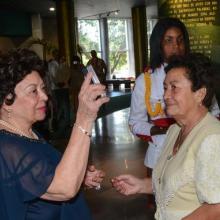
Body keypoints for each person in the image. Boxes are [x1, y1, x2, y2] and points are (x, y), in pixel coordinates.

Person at [0, 48, 109, 220]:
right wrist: (84, 117)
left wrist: (78, 174)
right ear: (7, 100)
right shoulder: (7, 147)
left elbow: (43, 175)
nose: (44, 96)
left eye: (43, 88)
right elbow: (64, 188)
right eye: (33, 91)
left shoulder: (27, 133)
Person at [112, 53, 220, 220]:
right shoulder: (174, 131)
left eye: (174, 87)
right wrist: (141, 185)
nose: (166, 95)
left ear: (200, 94)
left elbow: (216, 208)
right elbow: (178, 185)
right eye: (165, 87)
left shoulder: (212, 138)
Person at [128, 17, 220, 172]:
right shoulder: (146, 81)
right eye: (168, 41)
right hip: (158, 156)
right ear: (158, 44)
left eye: (180, 40)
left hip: (195, 154)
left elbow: (215, 113)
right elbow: (135, 123)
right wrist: (164, 130)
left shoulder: (198, 74)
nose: (176, 46)